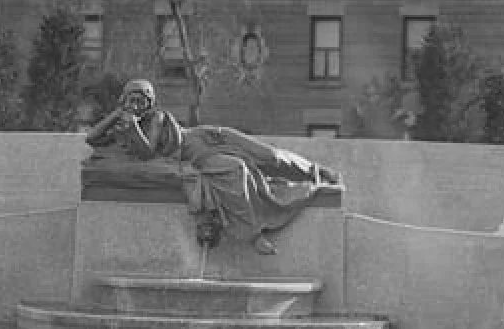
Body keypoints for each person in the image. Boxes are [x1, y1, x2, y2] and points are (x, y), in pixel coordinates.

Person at [85, 79, 340, 254]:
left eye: (142, 101)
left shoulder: (156, 118)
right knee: (236, 169)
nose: (137, 105)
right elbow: (93, 139)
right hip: (195, 158)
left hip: (200, 138)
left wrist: (131, 124)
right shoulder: (124, 125)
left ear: (150, 103)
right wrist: (117, 116)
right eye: (132, 100)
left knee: (268, 155)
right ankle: (252, 234)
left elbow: (148, 148)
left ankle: (315, 170)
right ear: (124, 101)